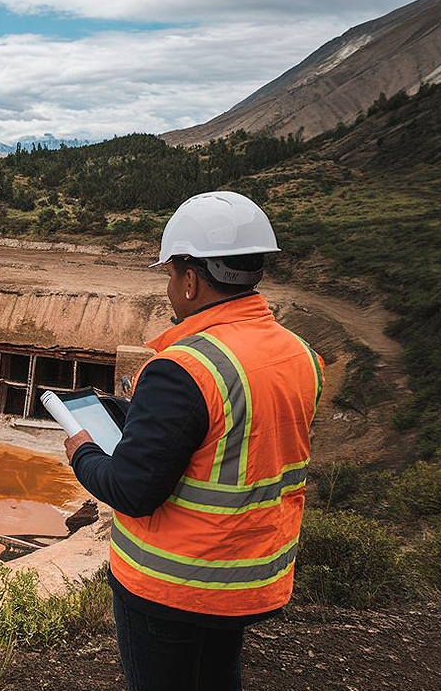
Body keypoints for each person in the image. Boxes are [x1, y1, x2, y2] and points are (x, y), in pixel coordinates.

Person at [65, 191, 324, 691]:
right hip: (249, 578)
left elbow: (131, 491)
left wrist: (84, 453)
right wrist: (138, 415)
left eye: (168, 274)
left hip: (174, 586)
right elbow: (231, 434)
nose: (169, 287)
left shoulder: (185, 366)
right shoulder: (300, 354)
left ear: (189, 277)